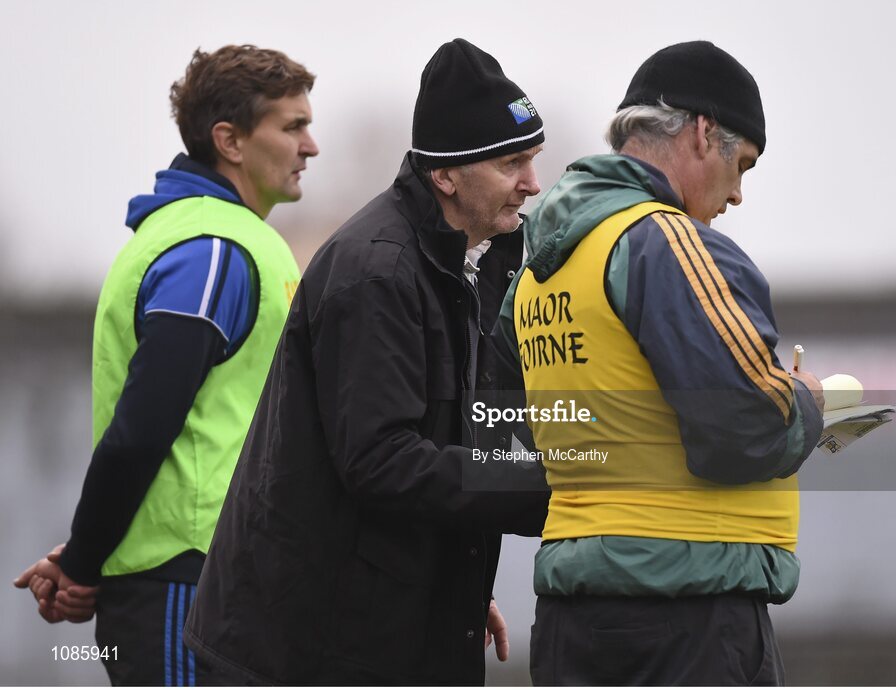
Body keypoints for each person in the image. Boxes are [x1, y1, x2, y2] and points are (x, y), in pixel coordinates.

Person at [183, 38, 549, 686]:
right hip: (300, 655)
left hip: (378, 631)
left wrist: (456, 594)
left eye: (533, 159)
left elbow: (449, 443)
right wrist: (547, 484)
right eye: (512, 162)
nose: (533, 183)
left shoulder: (471, 261)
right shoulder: (377, 272)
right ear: (446, 175)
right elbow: (384, 462)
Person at [498, 41, 826, 685]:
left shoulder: (537, 271)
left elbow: (520, 421)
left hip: (571, 621)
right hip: (686, 615)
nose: (738, 195)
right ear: (705, 132)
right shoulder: (667, 243)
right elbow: (745, 426)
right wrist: (807, 400)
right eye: (745, 165)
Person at [12, 44, 318, 686]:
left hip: (207, 577)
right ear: (229, 140)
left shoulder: (210, 240)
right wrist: (87, 562)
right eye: (292, 126)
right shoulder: (211, 249)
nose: (310, 146)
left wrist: (85, 555)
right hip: (189, 585)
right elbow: (144, 428)